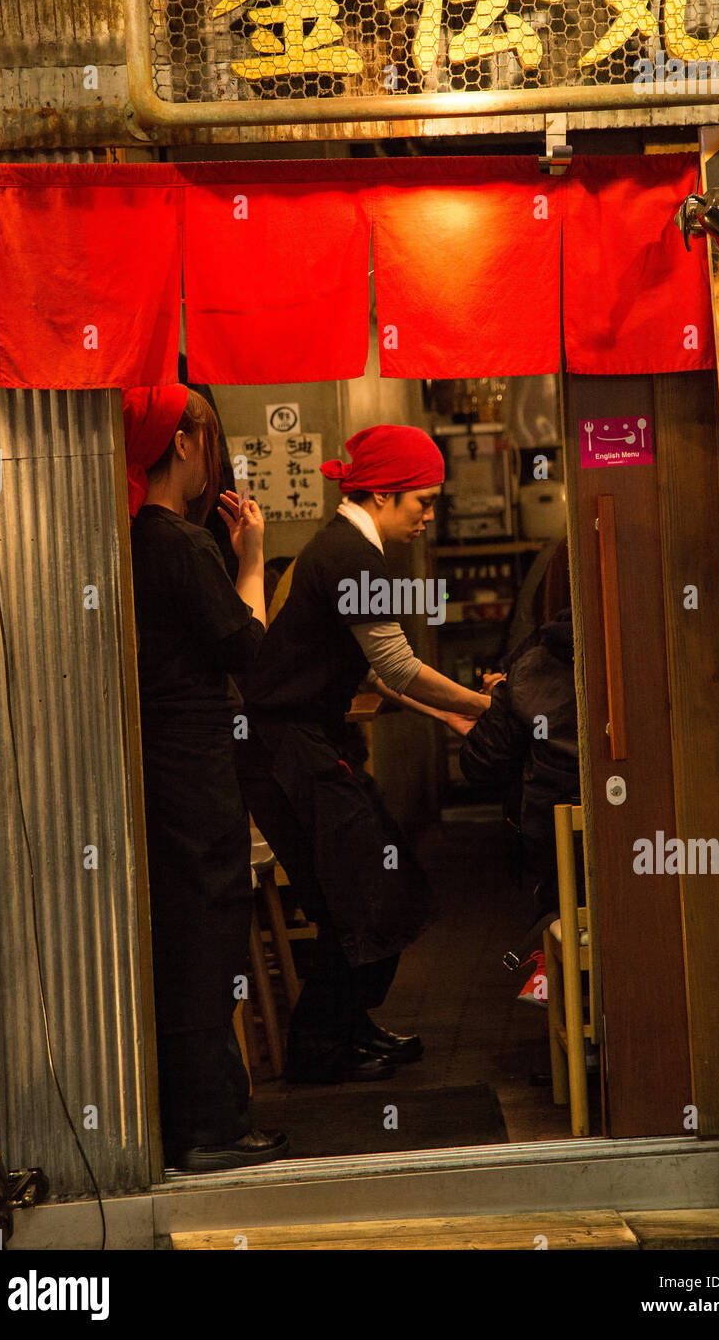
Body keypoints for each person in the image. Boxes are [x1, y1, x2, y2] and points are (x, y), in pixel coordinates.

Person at [236, 423, 491, 1084]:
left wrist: (452, 715)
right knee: (361, 896)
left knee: (381, 887)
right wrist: (486, 706)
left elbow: (376, 674)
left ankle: (350, 1027)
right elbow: (400, 666)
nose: (429, 517)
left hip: (307, 745)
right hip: (284, 751)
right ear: (380, 494)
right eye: (421, 502)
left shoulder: (351, 548)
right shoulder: (350, 554)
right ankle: (320, 1049)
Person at [124, 384, 288, 1172]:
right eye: (210, 440)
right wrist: (252, 557)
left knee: (191, 928)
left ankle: (204, 1120)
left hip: (165, 761)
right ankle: (207, 1130)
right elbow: (250, 652)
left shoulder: (136, 537)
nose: (213, 457)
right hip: (192, 764)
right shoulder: (181, 544)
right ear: (185, 442)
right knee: (207, 928)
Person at [459, 540, 580, 935]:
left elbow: (481, 766)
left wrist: (502, 699)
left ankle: (550, 976)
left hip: (560, 873)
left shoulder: (533, 664)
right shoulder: (660, 652)